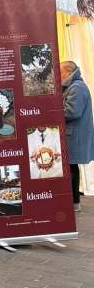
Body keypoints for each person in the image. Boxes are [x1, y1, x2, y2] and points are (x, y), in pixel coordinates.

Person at [61, 61, 93, 211]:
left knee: (71, 168)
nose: (58, 75)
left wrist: (52, 112)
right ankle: (73, 202)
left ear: (68, 72)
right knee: (71, 167)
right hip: (72, 135)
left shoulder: (77, 87)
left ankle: (74, 203)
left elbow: (73, 112)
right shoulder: (74, 86)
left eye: (60, 71)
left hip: (73, 136)